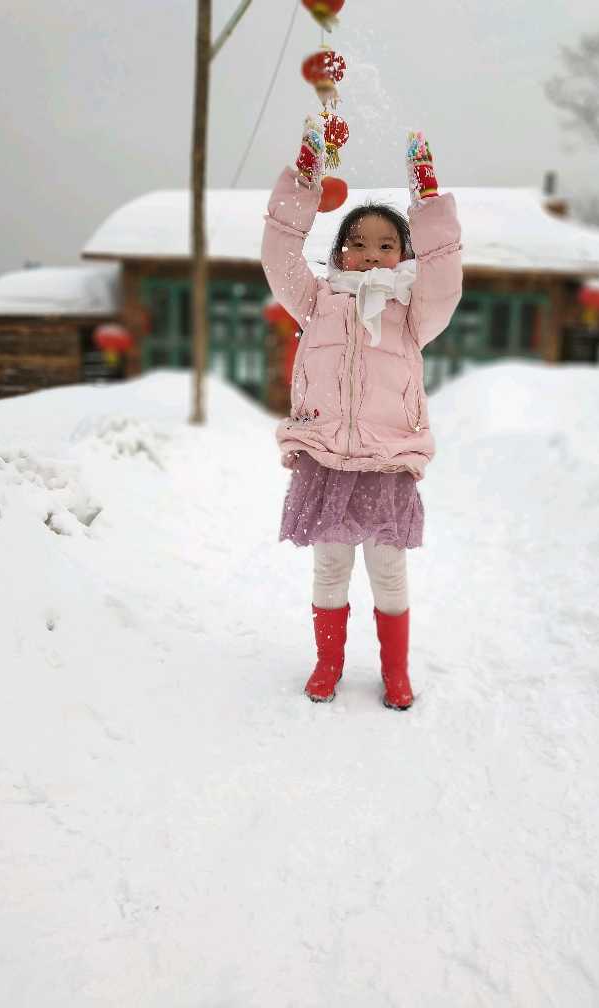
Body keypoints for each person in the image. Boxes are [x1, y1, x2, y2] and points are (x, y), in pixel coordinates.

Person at [261, 117, 462, 710]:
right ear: (339, 250)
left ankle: (395, 672)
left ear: (403, 254)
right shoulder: (315, 300)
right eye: (356, 243)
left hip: (385, 461)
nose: (369, 255)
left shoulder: (412, 310)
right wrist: (305, 181)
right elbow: (278, 255)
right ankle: (328, 663)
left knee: (388, 574)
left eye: (385, 245)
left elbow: (447, 277)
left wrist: (426, 201)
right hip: (325, 457)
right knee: (328, 571)